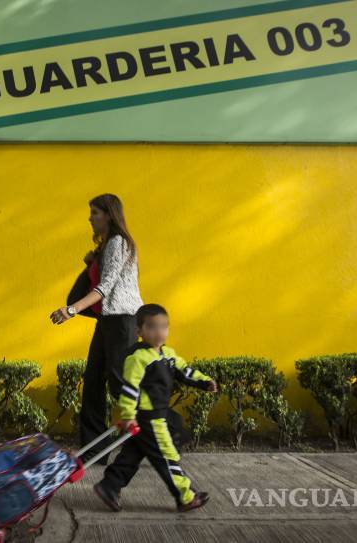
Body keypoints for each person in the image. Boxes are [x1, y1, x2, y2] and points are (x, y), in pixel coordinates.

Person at [93, 303, 217, 513]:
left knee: (133, 453)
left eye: (163, 326)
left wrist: (204, 382)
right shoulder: (138, 358)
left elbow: (185, 372)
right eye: (152, 327)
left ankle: (110, 485)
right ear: (139, 331)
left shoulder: (168, 354)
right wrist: (128, 415)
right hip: (148, 418)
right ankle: (186, 496)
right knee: (166, 456)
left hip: (155, 415)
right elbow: (130, 388)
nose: (159, 332)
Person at [50, 193, 143, 462]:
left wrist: (71, 310)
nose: (90, 218)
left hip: (123, 320)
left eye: (95, 213)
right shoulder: (105, 247)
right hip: (107, 321)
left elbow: (106, 288)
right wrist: (91, 262)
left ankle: (161, 434)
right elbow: (98, 283)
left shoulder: (119, 243)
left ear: (109, 215)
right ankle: (95, 450)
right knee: (92, 382)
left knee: (119, 384)